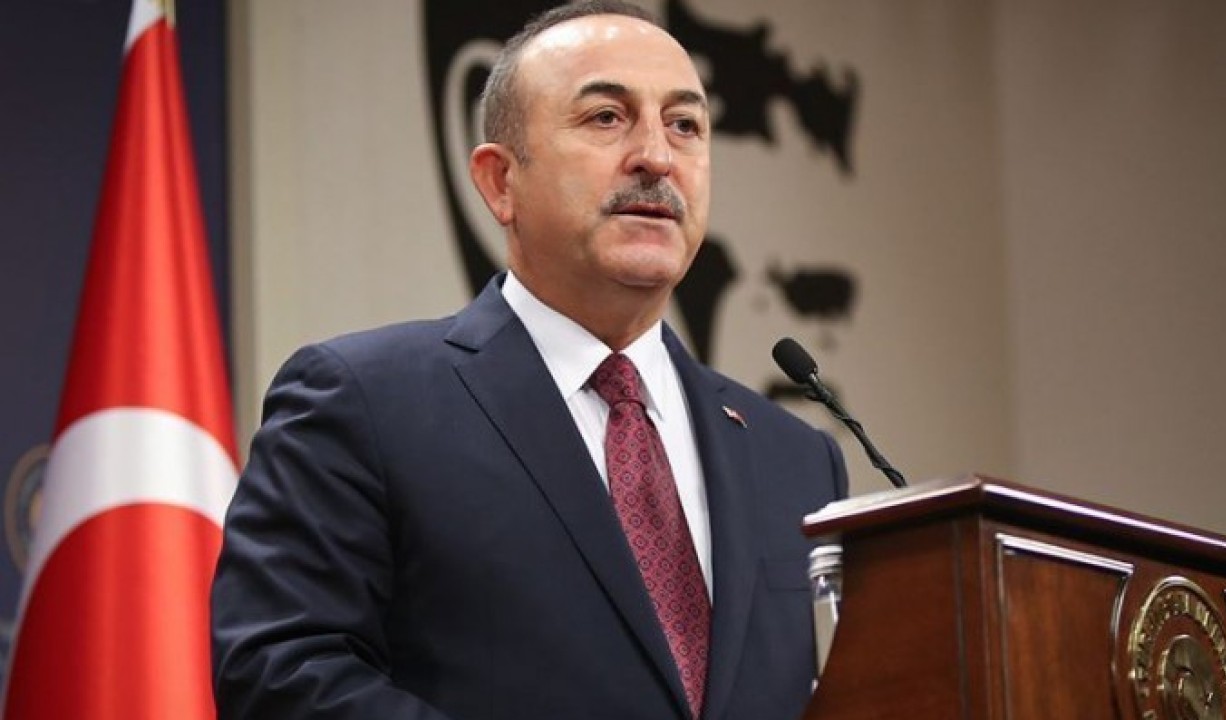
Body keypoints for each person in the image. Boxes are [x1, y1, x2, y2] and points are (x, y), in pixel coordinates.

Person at [211, 2, 848, 718]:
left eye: (685, 125)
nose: (656, 156)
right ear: (500, 182)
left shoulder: (798, 457)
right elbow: (281, 674)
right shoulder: (362, 403)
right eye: (606, 117)